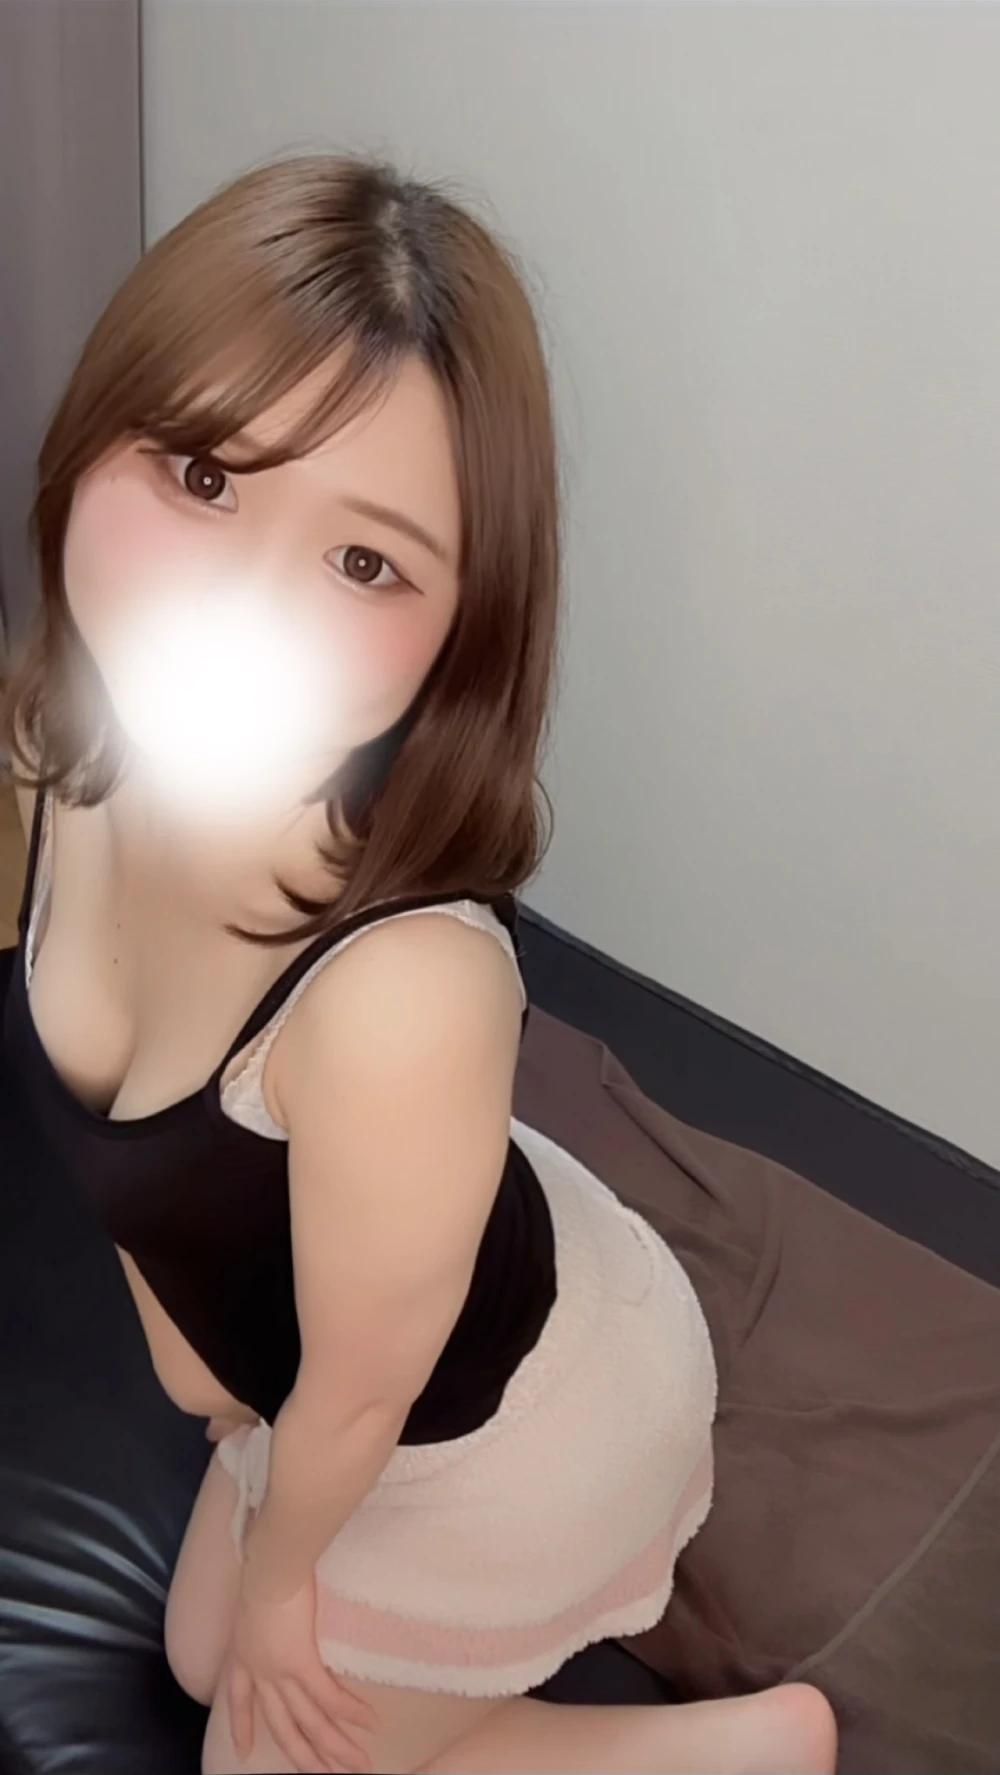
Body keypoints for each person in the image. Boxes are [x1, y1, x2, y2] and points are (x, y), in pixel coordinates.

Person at [0, 155, 837, 1775]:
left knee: (251, 1731)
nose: (237, 601)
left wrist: (286, 1579)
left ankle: (753, 1747)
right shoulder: (59, 749)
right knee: (192, 1655)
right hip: (342, 1332)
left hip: (506, 1432)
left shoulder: (402, 997)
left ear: (458, 630)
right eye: (202, 472)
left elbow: (368, 1392)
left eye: (365, 561)